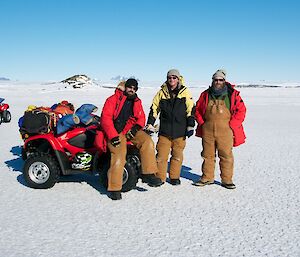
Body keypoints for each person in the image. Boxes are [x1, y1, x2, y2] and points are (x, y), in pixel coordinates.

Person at [100, 78, 163, 200]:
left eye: (134, 88)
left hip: (129, 131)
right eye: (130, 87)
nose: (131, 90)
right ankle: (114, 187)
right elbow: (105, 119)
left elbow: (141, 118)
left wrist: (135, 129)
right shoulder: (112, 100)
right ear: (125, 87)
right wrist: (112, 135)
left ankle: (148, 173)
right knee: (119, 154)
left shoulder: (136, 101)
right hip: (115, 131)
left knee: (147, 142)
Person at [194, 69, 246, 189]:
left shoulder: (232, 94)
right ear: (212, 80)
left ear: (224, 80)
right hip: (207, 130)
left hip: (226, 131)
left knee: (226, 155)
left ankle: (227, 180)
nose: (218, 82)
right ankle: (207, 178)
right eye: (215, 80)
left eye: (220, 80)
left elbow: (241, 111)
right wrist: (202, 122)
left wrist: (232, 125)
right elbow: (197, 110)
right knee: (207, 155)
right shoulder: (205, 94)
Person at [146, 69, 195, 185]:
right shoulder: (161, 93)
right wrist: (150, 123)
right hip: (165, 131)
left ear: (178, 79)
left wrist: (190, 125)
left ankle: (174, 177)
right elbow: (154, 108)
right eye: (170, 78)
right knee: (161, 156)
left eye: (174, 77)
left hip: (180, 131)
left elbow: (191, 109)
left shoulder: (185, 92)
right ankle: (160, 177)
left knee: (177, 156)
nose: (172, 80)